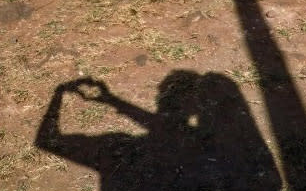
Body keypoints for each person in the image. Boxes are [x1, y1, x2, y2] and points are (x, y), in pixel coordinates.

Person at [35, 71, 281, 191]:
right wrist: (113, 101)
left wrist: (59, 94)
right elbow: (166, 128)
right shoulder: (223, 151)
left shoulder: (118, 147)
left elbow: (46, 140)